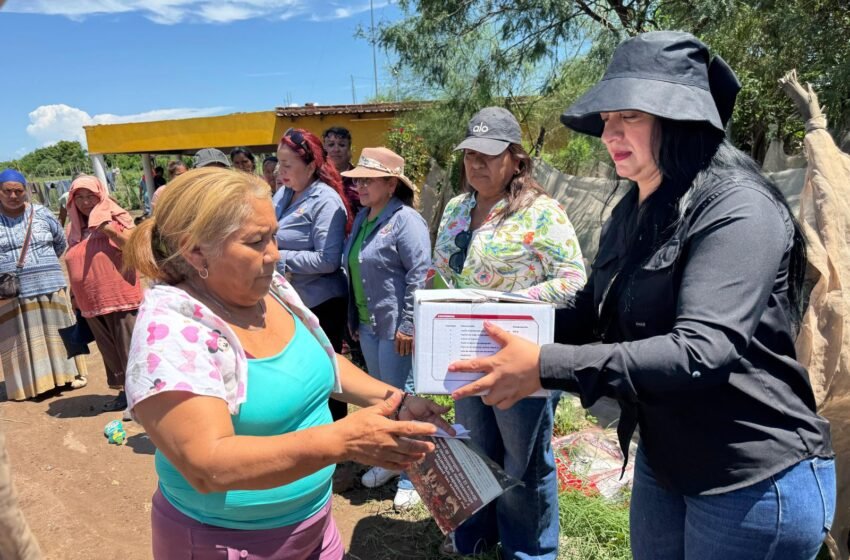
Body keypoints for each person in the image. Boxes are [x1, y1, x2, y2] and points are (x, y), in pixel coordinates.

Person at [450, 32, 836, 560]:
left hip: (751, 477)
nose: (609, 132)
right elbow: (591, 315)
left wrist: (542, 364)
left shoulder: (739, 209)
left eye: (629, 115)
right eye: (606, 118)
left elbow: (701, 350)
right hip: (666, 458)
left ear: (680, 118)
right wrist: (481, 332)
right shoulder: (633, 212)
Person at [121, 167, 451, 559]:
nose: (274, 253)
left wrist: (395, 400)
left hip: (313, 526)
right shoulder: (171, 331)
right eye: (256, 241)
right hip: (229, 543)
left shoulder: (267, 288)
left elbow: (319, 362)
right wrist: (342, 441)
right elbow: (207, 466)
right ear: (195, 250)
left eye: (274, 235)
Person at [431, 107, 587, 559]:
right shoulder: (458, 209)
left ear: (516, 159)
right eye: (469, 154)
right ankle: (477, 536)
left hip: (520, 360)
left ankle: (529, 550)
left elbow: (572, 279)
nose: (476, 163)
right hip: (464, 354)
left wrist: (504, 305)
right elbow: (445, 274)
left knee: (523, 462)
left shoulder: (541, 211)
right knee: (475, 447)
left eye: (489, 154)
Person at [340, 147, 431, 509]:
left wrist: (409, 323)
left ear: (391, 184)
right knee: (382, 400)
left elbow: (420, 272)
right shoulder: (364, 217)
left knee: (402, 399)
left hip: (396, 328)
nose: (359, 185)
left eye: (367, 179)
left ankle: (412, 473)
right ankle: (392, 462)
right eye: (357, 179)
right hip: (369, 322)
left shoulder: (406, 220)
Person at [274, 128, 353, 427]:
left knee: (326, 373)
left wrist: (277, 258)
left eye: (287, 165)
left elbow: (328, 260)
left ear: (310, 166)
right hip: (289, 299)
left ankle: (337, 437)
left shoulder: (326, 201)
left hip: (321, 303)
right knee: (298, 371)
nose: (280, 171)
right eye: (279, 163)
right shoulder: (283, 193)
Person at [0, 169, 88, 400]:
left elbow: (60, 242)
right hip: (12, 292)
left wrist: (41, 264)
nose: (13, 196)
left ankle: (69, 376)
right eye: (7, 191)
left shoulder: (41, 213)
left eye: (18, 191)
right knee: (21, 338)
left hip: (50, 284)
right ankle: (33, 385)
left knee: (58, 333)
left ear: (25, 191)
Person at [65, 175, 142, 415]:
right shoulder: (73, 229)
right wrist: (74, 294)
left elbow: (135, 246)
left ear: (101, 196)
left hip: (121, 297)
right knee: (109, 351)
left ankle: (141, 399)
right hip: (91, 301)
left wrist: (106, 228)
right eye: (80, 198)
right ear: (72, 202)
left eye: (91, 196)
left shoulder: (118, 218)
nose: (86, 202)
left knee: (130, 348)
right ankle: (123, 393)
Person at [323, 127, 361, 214]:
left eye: (342, 145)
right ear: (325, 148)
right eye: (331, 145)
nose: (336, 150)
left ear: (349, 148)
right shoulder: (318, 178)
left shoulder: (359, 180)